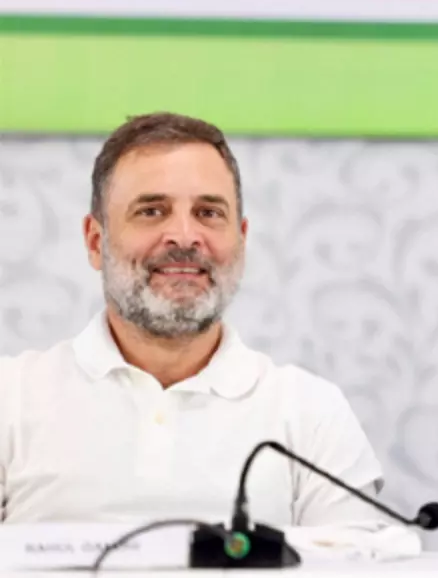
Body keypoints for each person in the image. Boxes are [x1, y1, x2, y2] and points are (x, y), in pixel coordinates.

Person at [0, 113, 386, 526]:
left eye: (208, 213)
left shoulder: (313, 413)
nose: (184, 236)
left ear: (241, 240)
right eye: (152, 211)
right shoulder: (11, 397)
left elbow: (355, 557)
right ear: (96, 242)